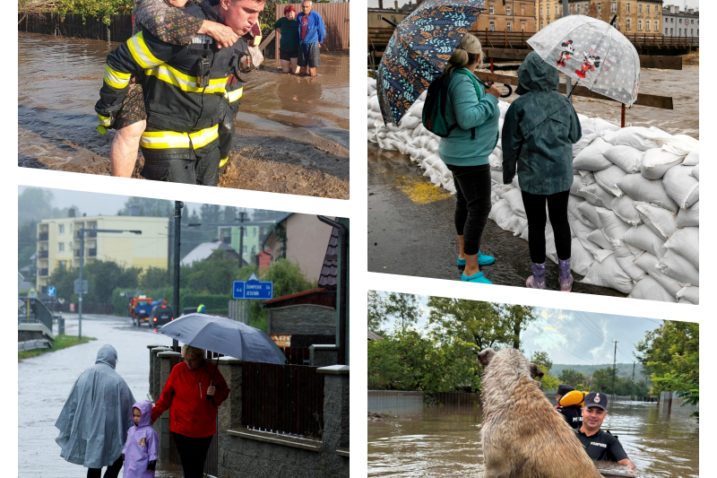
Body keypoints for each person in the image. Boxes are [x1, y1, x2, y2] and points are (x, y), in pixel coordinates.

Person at [96, 0, 266, 185]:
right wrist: (108, 108)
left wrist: (247, 49)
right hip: (149, 95)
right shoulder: (160, 12)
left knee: (225, 129)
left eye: (257, 13)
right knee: (130, 130)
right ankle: (120, 191)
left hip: (201, 125)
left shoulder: (233, 21)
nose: (253, 19)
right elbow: (160, 22)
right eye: (248, 11)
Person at [501, 51, 582, 291]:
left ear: (525, 75)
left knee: (536, 225)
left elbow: (510, 145)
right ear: (551, 75)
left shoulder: (518, 107)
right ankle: (565, 278)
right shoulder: (563, 103)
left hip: (532, 176)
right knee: (560, 222)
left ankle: (538, 279)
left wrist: (508, 174)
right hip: (560, 175)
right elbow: (575, 135)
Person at [437, 33, 501, 284]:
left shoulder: (457, 76)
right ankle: (471, 270)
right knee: (480, 207)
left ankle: (464, 254)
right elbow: (467, 118)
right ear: (476, 56)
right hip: (468, 156)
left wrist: (483, 91)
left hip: (459, 151)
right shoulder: (461, 81)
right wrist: (491, 99)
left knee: (465, 202)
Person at [55, 345, 135, 478]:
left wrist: (69, 427)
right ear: (113, 359)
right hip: (111, 432)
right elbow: (130, 409)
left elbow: (71, 405)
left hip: (87, 430)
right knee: (116, 460)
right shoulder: (118, 381)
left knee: (93, 463)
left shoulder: (83, 377)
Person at [151, 345, 230, 478]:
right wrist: (150, 417)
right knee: (189, 466)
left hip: (203, 430)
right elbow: (165, 398)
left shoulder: (211, 371)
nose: (188, 363)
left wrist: (215, 394)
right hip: (181, 429)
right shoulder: (178, 370)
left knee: (197, 466)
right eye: (185, 359)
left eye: (192, 360)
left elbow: (224, 392)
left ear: (200, 358)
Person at [576, 392, 637, 471]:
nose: (593, 415)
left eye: (599, 412)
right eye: (590, 411)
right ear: (582, 411)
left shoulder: (610, 440)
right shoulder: (568, 435)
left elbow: (626, 462)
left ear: (605, 415)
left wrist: (630, 469)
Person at [122, 400, 158, 478]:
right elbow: (128, 444)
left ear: (146, 415)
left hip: (143, 466)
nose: (135, 418)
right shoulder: (131, 430)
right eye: (134, 415)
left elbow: (153, 448)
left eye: (138, 416)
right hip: (130, 464)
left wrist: (152, 460)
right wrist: (124, 452)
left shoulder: (150, 432)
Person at [296, 0, 326, 77]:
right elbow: (297, 30)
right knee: (302, 68)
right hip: (302, 44)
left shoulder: (316, 16)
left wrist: (320, 41)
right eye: (303, 7)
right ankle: (303, 86)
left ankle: (313, 85)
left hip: (313, 43)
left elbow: (321, 29)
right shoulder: (299, 16)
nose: (305, 8)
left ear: (311, 7)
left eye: (307, 7)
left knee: (312, 69)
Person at [274, 5, 300, 74]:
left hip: (295, 50)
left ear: (294, 13)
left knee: (296, 72)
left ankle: (293, 66)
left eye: (291, 12)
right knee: (285, 72)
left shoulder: (298, 20)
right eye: (287, 13)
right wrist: (282, 32)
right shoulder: (282, 20)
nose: (289, 14)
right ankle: (287, 66)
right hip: (284, 49)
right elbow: (275, 26)